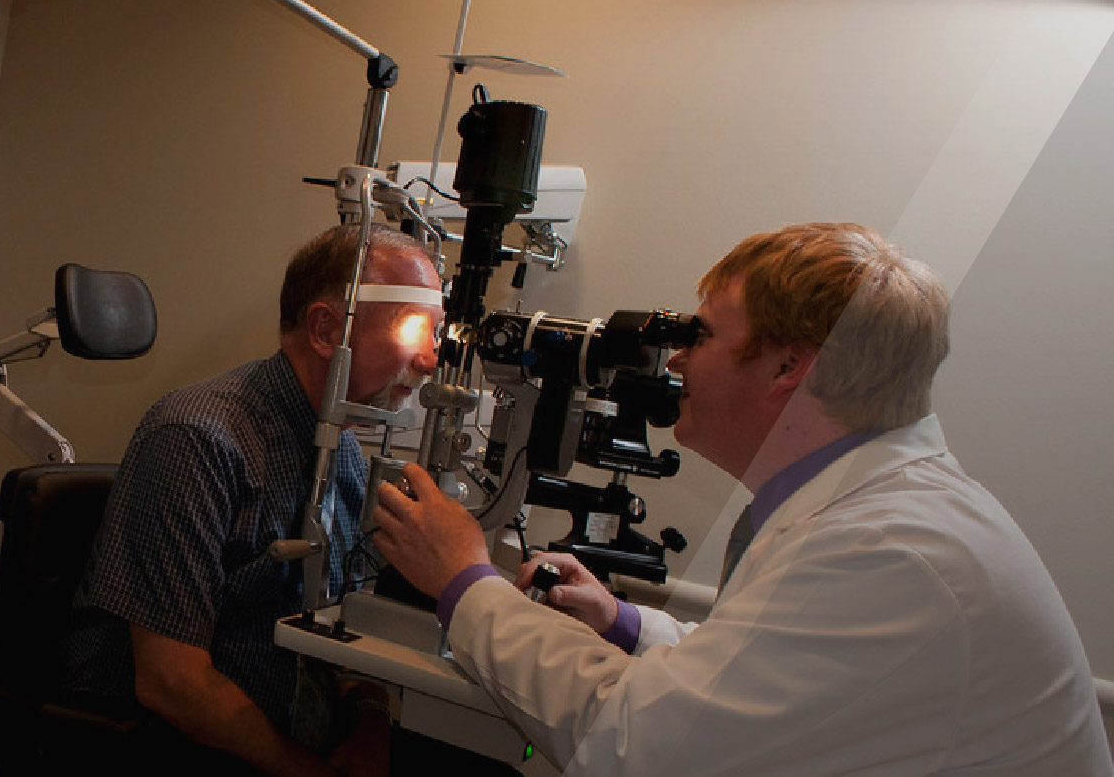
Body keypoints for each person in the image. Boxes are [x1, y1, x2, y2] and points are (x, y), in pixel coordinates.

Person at [372, 222, 1113, 775]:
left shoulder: (887, 551)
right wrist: (625, 624)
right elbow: (771, 676)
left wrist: (464, 579)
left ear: (790, 364)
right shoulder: (884, 512)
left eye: (703, 333)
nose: (681, 358)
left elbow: (635, 744)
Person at [62, 223, 461, 775]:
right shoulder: (198, 440)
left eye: (436, 334)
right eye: (413, 328)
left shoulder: (341, 451)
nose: (429, 360)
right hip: (172, 745)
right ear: (326, 330)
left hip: (296, 739)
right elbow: (171, 683)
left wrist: (371, 723)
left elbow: (354, 621)